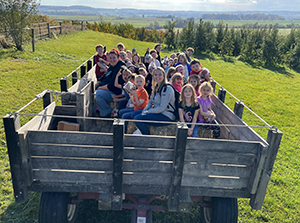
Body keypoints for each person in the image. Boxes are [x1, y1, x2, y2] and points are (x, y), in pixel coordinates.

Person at [134, 67, 176, 135]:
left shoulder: (167, 88)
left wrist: (148, 112)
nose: (157, 76)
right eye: (155, 75)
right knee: (133, 114)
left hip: (166, 115)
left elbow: (162, 107)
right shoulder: (157, 87)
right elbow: (150, 102)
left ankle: (147, 137)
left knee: (137, 118)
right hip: (156, 112)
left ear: (163, 76)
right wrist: (144, 110)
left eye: (160, 74)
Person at [95, 49, 125, 117]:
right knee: (94, 91)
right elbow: (103, 77)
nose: (112, 60)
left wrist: (99, 88)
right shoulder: (112, 67)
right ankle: (98, 110)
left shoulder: (119, 68)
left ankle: (107, 112)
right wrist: (97, 84)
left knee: (97, 94)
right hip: (107, 89)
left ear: (118, 57)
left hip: (115, 92)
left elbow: (111, 85)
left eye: (114, 58)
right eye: (110, 58)